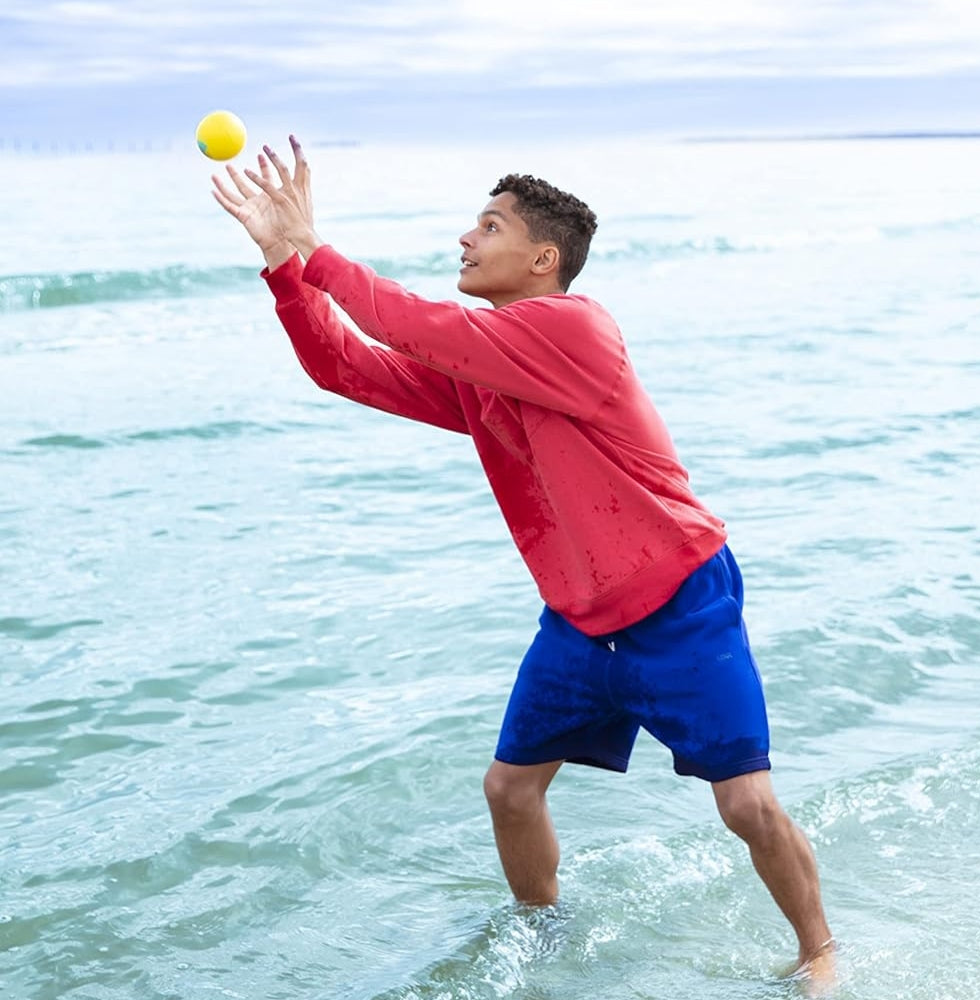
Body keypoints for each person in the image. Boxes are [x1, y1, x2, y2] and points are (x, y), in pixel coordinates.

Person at [212, 137, 837, 990]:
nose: (466, 239)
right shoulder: (486, 368)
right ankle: (543, 934)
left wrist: (315, 249)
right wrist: (285, 265)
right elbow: (346, 366)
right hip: (579, 619)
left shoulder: (577, 328)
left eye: (489, 225)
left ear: (544, 259)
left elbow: (414, 325)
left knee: (746, 804)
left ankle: (819, 953)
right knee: (509, 791)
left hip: (679, 601)